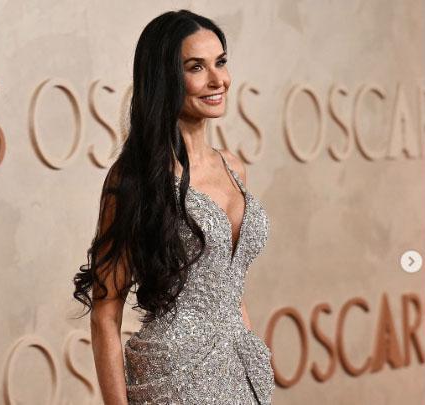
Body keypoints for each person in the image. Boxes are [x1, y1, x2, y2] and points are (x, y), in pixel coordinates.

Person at [73, 9, 274, 405]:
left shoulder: (233, 167)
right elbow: (105, 312)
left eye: (220, 62)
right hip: (174, 378)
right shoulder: (134, 178)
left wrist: (249, 372)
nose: (217, 80)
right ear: (164, 77)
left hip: (242, 370)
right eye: (196, 67)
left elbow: (229, 288)